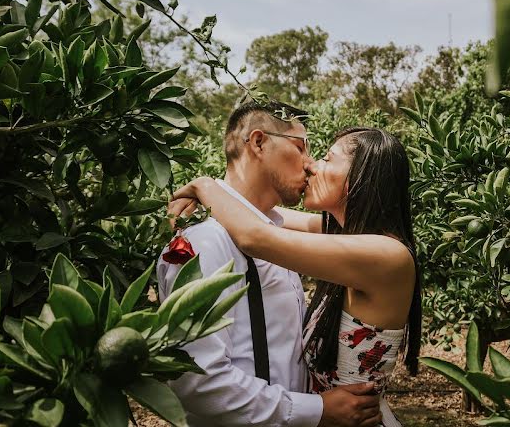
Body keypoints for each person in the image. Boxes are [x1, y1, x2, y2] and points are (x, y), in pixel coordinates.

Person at [168, 125, 423, 427]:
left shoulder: (385, 256)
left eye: (327, 159)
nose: (311, 165)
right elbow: (261, 213)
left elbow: (256, 235)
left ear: (362, 176)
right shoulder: (344, 235)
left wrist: (204, 186)